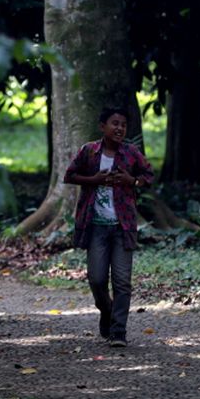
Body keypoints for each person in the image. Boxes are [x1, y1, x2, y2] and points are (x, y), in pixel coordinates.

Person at [64, 107, 154, 348]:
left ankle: (118, 331)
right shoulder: (89, 151)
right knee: (96, 279)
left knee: (123, 281)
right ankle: (107, 311)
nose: (119, 128)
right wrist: (92, 180)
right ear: (102, 126)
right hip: (95, 227)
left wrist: (132, 181)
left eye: (123, 125)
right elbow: (69, 176)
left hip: (123, 226)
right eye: (114, 123)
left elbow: (149, 175)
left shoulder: (131, 153)